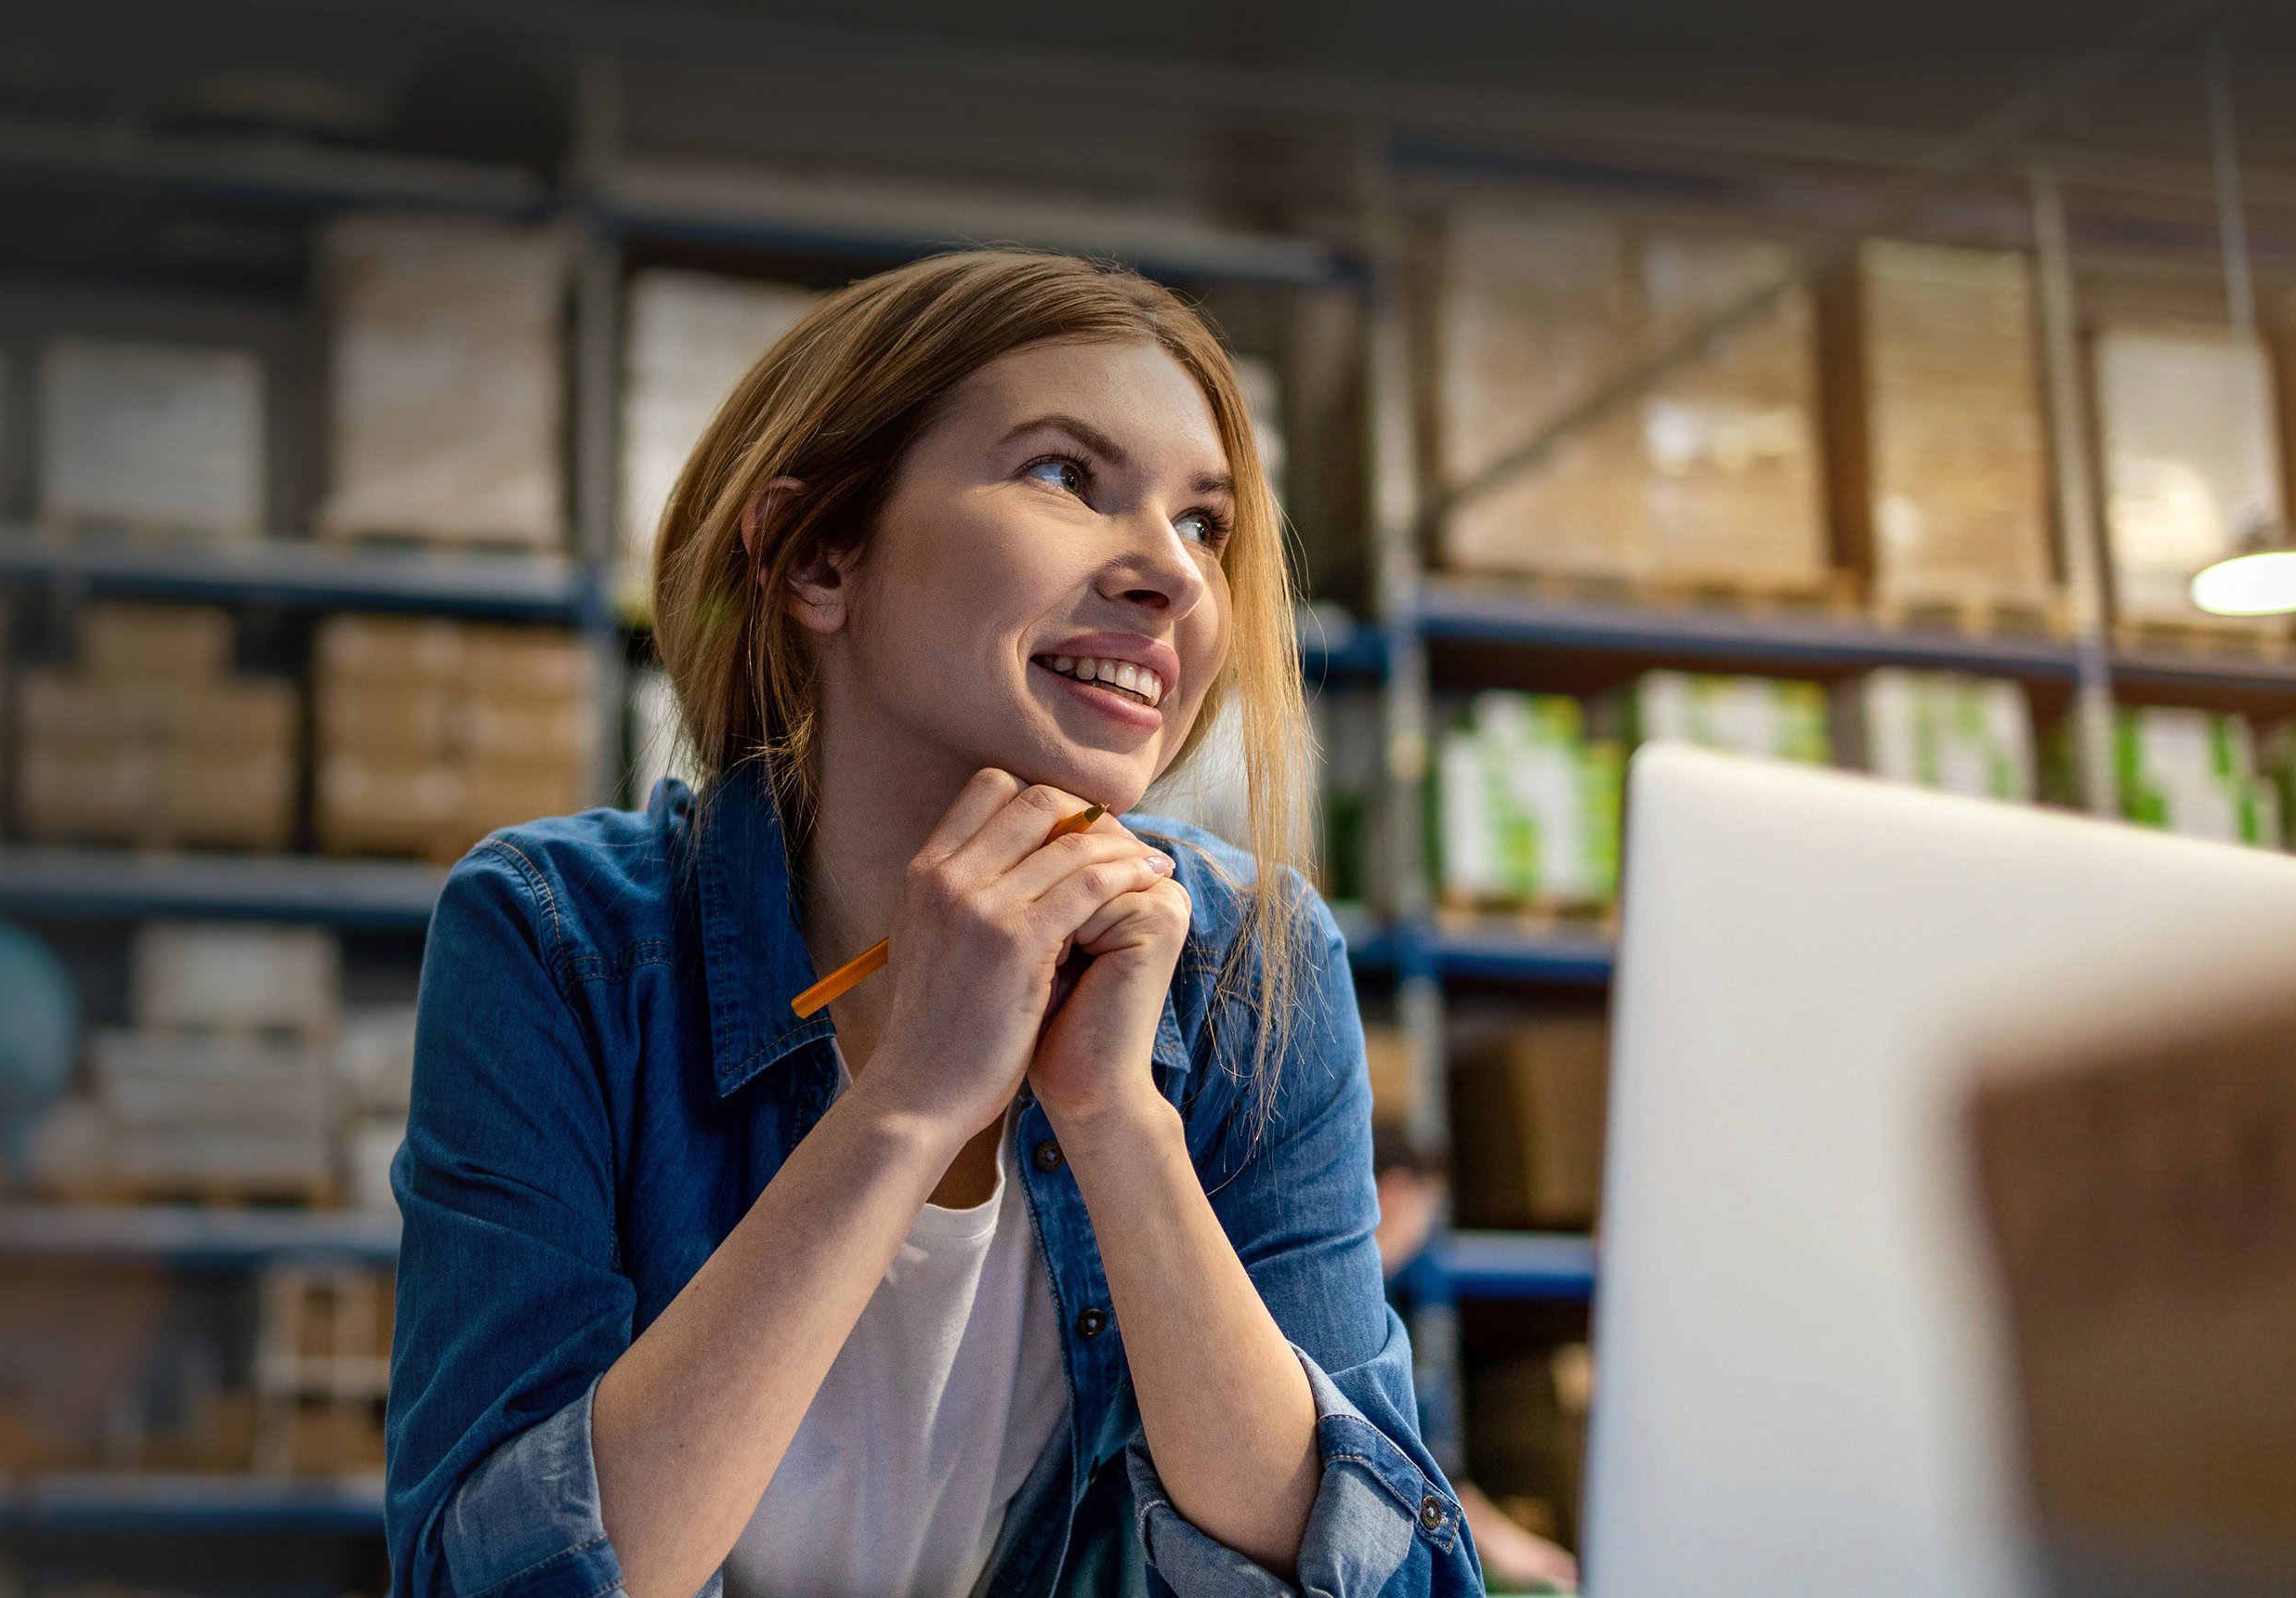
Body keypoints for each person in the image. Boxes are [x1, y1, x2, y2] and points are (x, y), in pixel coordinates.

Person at [384, 249, 1480, 1598]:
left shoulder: (1253, 965)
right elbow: (487, 1581)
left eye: (1205, 524)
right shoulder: (560, 944)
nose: (1175, 578)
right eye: (1067, 477)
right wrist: (906, 1102)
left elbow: (1386, 1585)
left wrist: (1123, 1123)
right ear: (819, 557)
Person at [1371, 1125, 1584, 1593]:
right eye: (1427, 1209)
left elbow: (1441, 1474)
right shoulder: (1367, 1311)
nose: (1424, 1231)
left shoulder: (1392, 1304)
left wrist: (1525, 1553)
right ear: (1396, 1193)